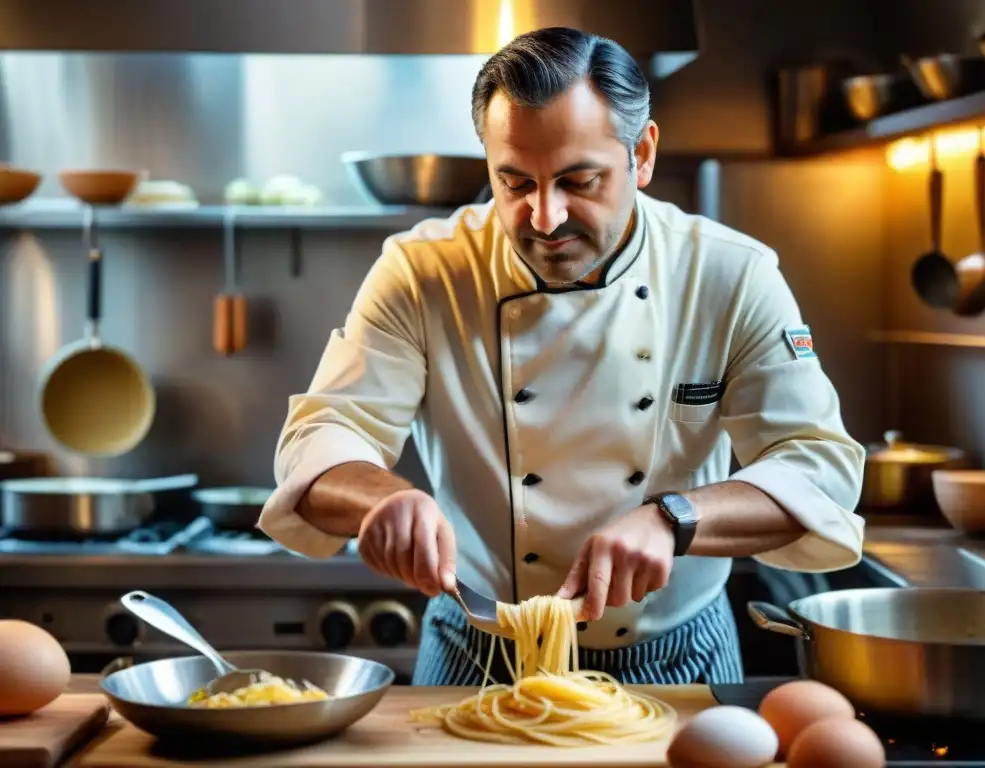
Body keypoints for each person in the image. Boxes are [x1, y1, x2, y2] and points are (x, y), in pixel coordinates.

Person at [258, 27, 866, 686]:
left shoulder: (728, 275)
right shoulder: (424, 272)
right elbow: (319, 438)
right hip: (478, 652)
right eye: (513, 183)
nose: (545, 217)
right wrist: (381, 499)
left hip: (678, 659)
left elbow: (820, 469)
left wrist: (675, 519)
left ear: (643, 154)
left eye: (579, 181)